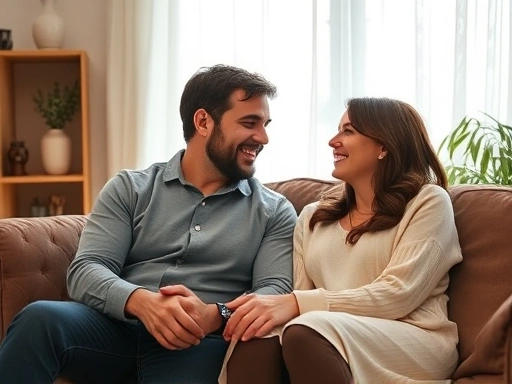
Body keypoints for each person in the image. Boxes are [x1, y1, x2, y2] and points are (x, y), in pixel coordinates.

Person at [0, 64, 297, 384]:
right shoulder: (130, 187)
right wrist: (141, 302)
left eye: (265, 124)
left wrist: (215, 315)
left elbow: (275, 292)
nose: (263, 137)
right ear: (203, 122)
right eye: (249, 123)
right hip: (115, 329)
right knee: (40, 319)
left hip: (200, 342)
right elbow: (87, 269)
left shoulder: (275, 211)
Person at [222, 97, 463, 384]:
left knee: (306, 329)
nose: (333, 141)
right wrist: (267, 311)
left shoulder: (427, 202)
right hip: (327, 332)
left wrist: (297, 304)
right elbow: (300, 298)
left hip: (414, 339)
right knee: (256, 329)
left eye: (348, 131)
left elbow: (400, 293)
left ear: (384, 145)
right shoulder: (313, 217)